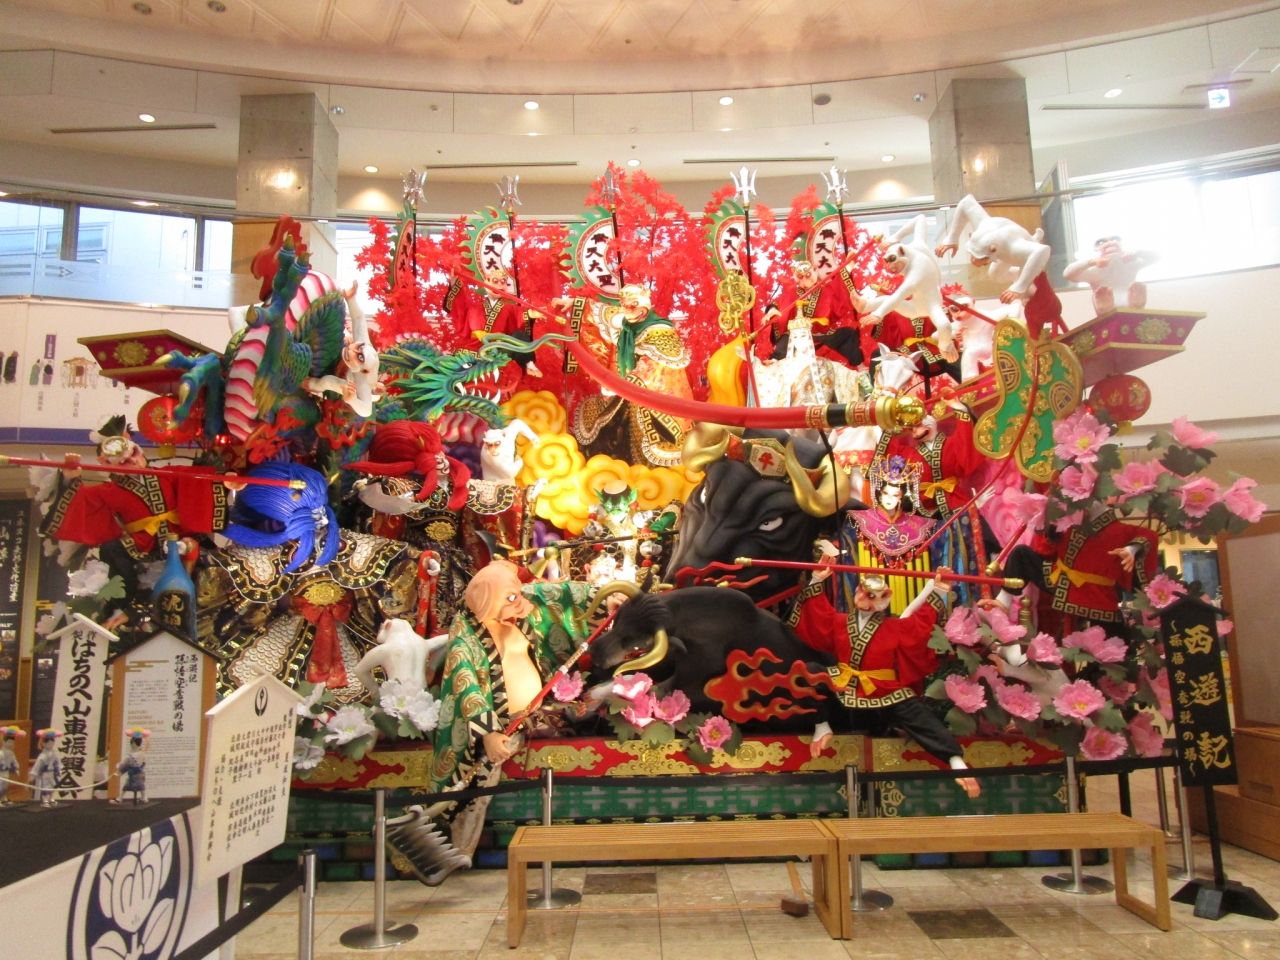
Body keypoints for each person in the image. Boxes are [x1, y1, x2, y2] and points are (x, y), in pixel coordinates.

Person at [791, 560, 981, 798]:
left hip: (881, 691)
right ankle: (822, 727)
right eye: (862, 591)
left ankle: (955, 760)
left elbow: (920, 624)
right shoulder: (840, 622)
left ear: (883, 600)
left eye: (871, 596)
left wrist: (939, 590)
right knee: (810, 671)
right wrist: (818, 579)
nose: (863, 598)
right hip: (844, 686)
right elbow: (818, 616)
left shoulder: (895, 628)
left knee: (914, 710)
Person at [555, 284, 694, 467]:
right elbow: (603, 313)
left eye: (634, 305)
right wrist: (574, 302)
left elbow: (657, 365)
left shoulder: (661, 331)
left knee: (650, 438)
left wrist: (629, 382)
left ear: (646, 301)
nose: (629, 311)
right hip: (626, 389)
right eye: (625, 306)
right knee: (611, 428)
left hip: (654, 395)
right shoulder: (626, 322)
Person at [985, 504, 1159, 636]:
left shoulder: (1121, 530)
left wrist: (1132, 549)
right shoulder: (1069, 523)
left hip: (1096, 593)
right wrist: (1049, 528)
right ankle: (1003, 602)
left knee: (1107, 645)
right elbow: (1047, 550)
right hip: (1059, 579)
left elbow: (1149, 536)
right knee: (1021, 554)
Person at [763, 260, 862, 368]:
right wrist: (771, 310)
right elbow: (778, 302)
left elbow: (837, 287)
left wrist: (848, 268)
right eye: (800, 276)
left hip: (821, 331)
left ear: (815, 270)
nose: (804, 279)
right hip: (798, 333)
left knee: (848, 334)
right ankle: (775, 360)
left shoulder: (826, 291)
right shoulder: (792, 294)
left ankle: (859, 364)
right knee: (786, 338)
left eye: (808, 275)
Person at [114, 729, 149, 805]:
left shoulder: (131, 756)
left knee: (127, 786)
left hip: (134, 774)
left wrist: (118, 766)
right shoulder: (142, 753)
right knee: (141, 786)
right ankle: (144, 798)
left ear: (133, 744)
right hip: (141, 773)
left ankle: (120, 798)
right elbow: (144, 762)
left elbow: (124, 763)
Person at [30, 729, 62, 806]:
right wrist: (33, 775)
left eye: (52, 743)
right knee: (46, 786)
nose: (51, 745)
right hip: (45, 773)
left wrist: (59, 769)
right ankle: (45, 800)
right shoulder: (42, 755)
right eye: (49, 744)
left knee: (53, 785)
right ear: (43, 744)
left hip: (52, 772)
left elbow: (57, 762)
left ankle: (51, 798)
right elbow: (38, 765)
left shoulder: (54, 753)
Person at [0, 726, 22, 805]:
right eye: (9, 742)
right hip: (1, 773)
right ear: (3, 742)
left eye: (12, 742)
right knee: (0, 786)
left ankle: (3, 798)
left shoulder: (11, 753)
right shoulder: (1, 753)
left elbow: (14, 762)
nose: (11, 744)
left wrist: (15, 770)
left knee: (5, 787)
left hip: (6, 773)